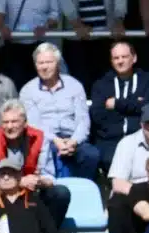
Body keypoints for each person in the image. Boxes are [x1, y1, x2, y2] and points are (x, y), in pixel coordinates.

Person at [0, 99, 72, 227]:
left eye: (14, 122)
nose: (9, 127)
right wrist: (20, 181)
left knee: (60, 193)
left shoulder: (40, 138)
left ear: (25, 123)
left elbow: (49, 176)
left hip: (33, 190)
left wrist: (39, 181)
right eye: (5, 122)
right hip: (1, 191)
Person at [19, 43, 99, 181]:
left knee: (91, 154)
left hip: (73, 138)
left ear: (58, 63)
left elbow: (83, 120)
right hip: (45, 140)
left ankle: (83, 192)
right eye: (40, 63)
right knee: (43, 153)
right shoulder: (28, 90)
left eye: (49, 62)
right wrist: (56, 141)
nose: (44, 67)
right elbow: (34, 124)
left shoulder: (74, 85)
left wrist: (74, 141)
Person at [89, 39, 149, 170]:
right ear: (111, 61)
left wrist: (117, 104)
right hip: (110, 140)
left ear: (134, 58)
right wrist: (135, 105)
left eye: (124, 57)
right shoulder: (101, 84)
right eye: (116, 58)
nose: (120, 61)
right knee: (111, 162)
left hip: (142, 137)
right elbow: (98, 116)